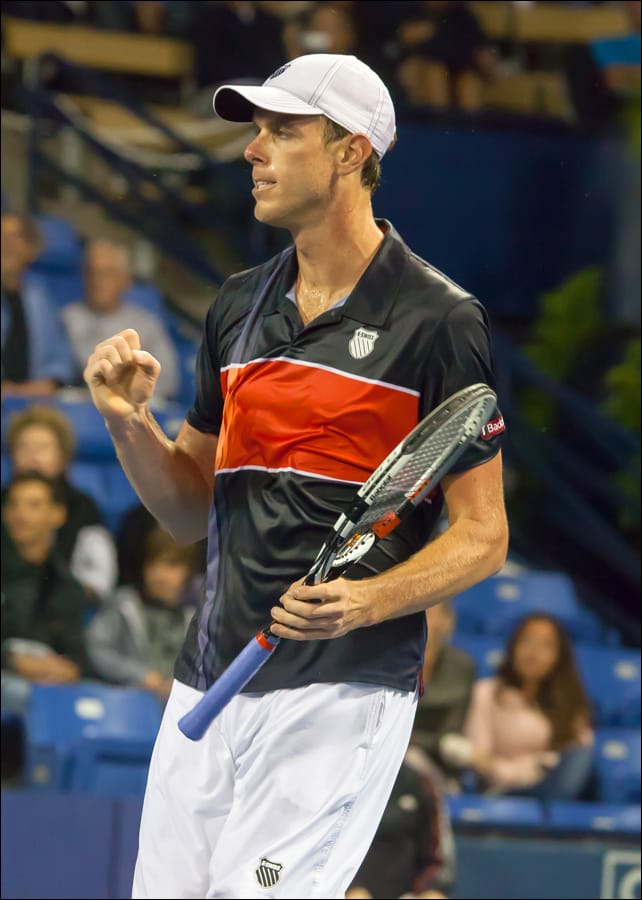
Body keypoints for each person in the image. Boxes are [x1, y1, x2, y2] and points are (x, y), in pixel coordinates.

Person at [82, 52, 508, 899]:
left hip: (339, 691)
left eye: (282, 130)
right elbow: (185, 511)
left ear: (351, 152)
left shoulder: (438, 320)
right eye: (255, 130)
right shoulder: (236, 307)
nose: (252, 149)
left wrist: (367, 599)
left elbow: (484, 535)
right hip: (209, 678)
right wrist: (128, 427)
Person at [455, 614, 594, 801]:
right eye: (527, 641)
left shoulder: (570, 702)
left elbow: (577, 757)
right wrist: (536, 767)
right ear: (513, 646)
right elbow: (481, 762)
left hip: (556, 790)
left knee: (581, 757)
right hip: (504, 791)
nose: (534, 652)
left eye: (546, 645)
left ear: (560, 655)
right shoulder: (485, 692)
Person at [2, 404, 118, 604]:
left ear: (63, 456)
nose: (33, 455)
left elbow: (99, 579)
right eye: (24, 446)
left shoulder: (82, 506)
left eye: (42, 447)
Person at [1, 471, 91, 715]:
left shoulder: (67, 585)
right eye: (13, 504)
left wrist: (69, 669)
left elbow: (79, 656)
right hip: (12, 681)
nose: (20, 514)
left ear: (57, 514)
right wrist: (13, 661)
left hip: (48, 684)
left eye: (34, 505)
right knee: (28, 698)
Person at [87, 526, 196, 704]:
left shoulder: (194, 620)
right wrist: (141, 676)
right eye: (154, 564)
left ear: (187, 571)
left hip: (176, 707)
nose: (161, 575)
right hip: (126, 703)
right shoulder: (122, 605)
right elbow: (98, 650)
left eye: (172, 566)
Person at [62, 239, 179, 401]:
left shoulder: (146, 324)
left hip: (134, 402)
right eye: (92, 272)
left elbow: (168, 380)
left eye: (107, 274)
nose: (97, 281)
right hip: (86, 400)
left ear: (126, 280)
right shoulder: (67, 318)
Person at [1, 211, 75, 397]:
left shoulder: (41, 297)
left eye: (14, 237)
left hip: (33, 402)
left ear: (31, 249)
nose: (5, 244)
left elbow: (59, 359)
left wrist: (48, 384)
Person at [408, 600, 476, 786]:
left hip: (436, 763)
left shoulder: (461, 666)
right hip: (387, 752)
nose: (418, 619)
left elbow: (452, 730)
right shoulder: (387, 660)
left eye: (427, 612)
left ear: (448, 621)